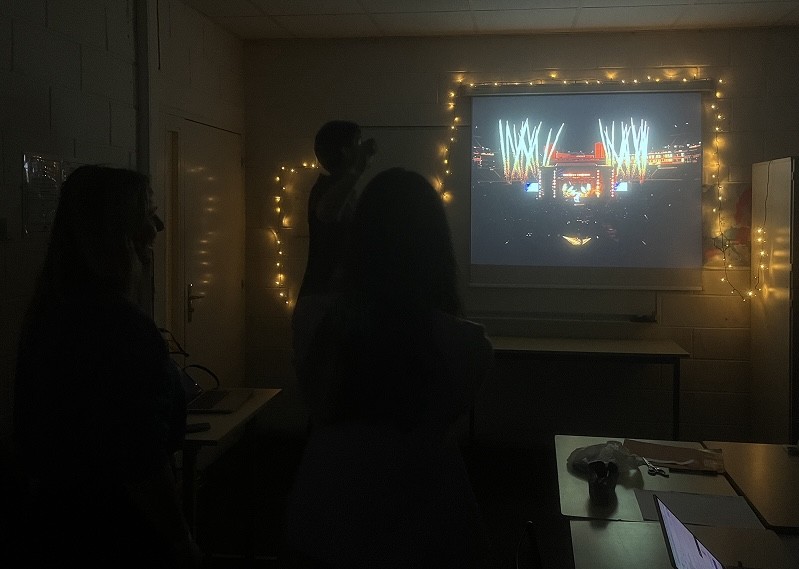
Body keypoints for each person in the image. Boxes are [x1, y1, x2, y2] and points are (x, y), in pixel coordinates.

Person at [283, 168, 494, 568]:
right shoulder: (467, 346)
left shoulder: (312, 321)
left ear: (359, 239)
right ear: (436, 247)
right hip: (426, 522)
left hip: (325, 513)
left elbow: (315, 401)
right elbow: (446, 416)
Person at [11, 165, 202, 568]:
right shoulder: (120, 327)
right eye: (148, 214)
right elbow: (140, 460)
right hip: (115, 532)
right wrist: (181, 539)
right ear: (117, 231)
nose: (159, 227)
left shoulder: (49, 314)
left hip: (54, 526)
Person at [291, 120, 376, 379]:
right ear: (344, 151)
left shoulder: (341, 191)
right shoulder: (327, 190)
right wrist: (357, 171)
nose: (364, 149)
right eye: (357, 144)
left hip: (328, 302)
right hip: (322, 303)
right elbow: (326, 213)